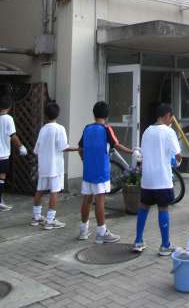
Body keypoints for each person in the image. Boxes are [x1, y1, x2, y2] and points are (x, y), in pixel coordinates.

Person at [78, 101, 133, 244]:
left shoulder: (87, 128)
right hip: (101, 171)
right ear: (107, 115)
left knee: (87, 199)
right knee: (100, 200)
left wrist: (84, 160)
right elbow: (117, 145)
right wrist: (132, 151)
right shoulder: (106, 129)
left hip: (88, 171)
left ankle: (83, 230)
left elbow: (80, 148)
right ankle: (101, 233)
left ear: (94, 113)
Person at [131, 103, 181, 256]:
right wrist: (176, 161)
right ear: (167, 115)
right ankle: (165, 245)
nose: (171, 121)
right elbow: (177, 155)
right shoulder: (169, 132)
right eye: (171, 118)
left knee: (143, 207)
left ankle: (138, 241)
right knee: (163, 208)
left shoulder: (146, 131)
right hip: (162, 178)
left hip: (147, 179)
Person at [31, 101, 78, 229]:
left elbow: (36, 150)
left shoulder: (43, 129)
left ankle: (36, 217)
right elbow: (64, 147)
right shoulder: (60, 128)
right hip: (55, 167)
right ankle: (50, 220)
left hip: (43, 166)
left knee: (40, 190)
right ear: (58, 114)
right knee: (54, 191)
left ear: (46, 115)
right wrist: (77, 149)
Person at [0, 94, 27, 211]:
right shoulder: (8, 119)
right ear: (9, 107)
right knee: (1, 178)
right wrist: (21, 147)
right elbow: (13, 136)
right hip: (3, 154)